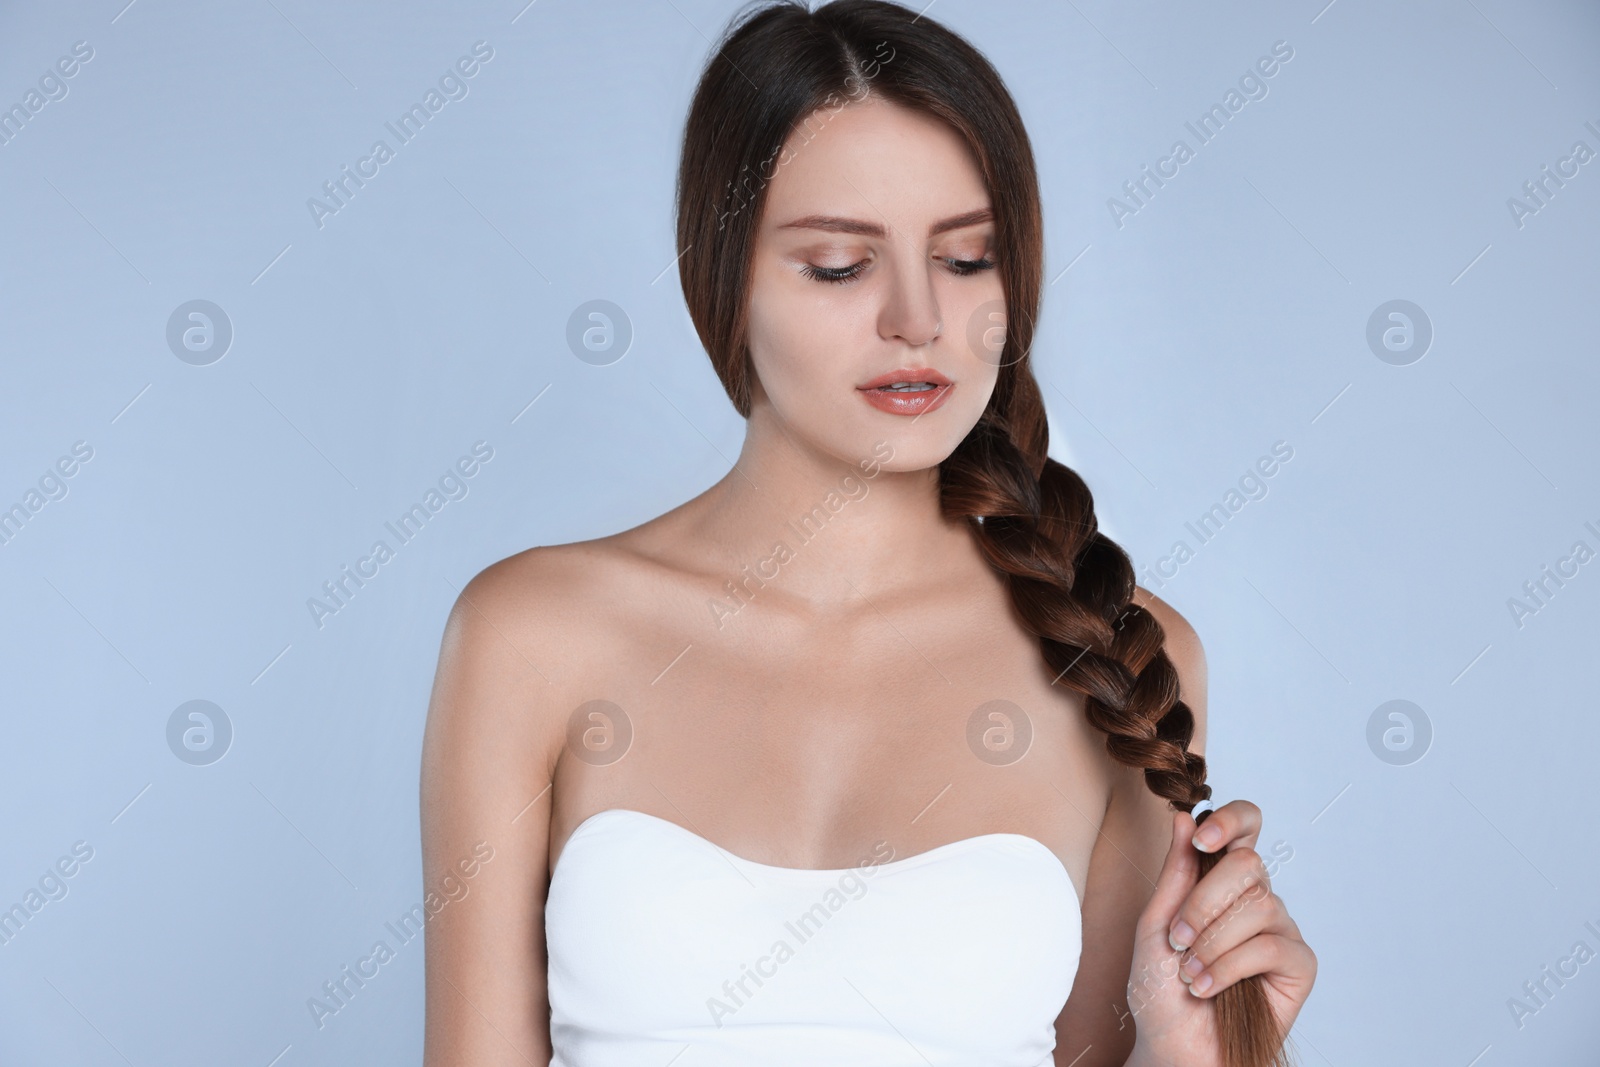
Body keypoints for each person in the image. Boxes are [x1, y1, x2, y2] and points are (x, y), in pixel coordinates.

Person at [420, 2, 1316, 1064]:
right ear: (721, 276)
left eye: (967, 258)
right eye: (841, 266)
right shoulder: (531, 634)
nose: (917, 320)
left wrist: (1189, 1050)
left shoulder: (1111, 646)